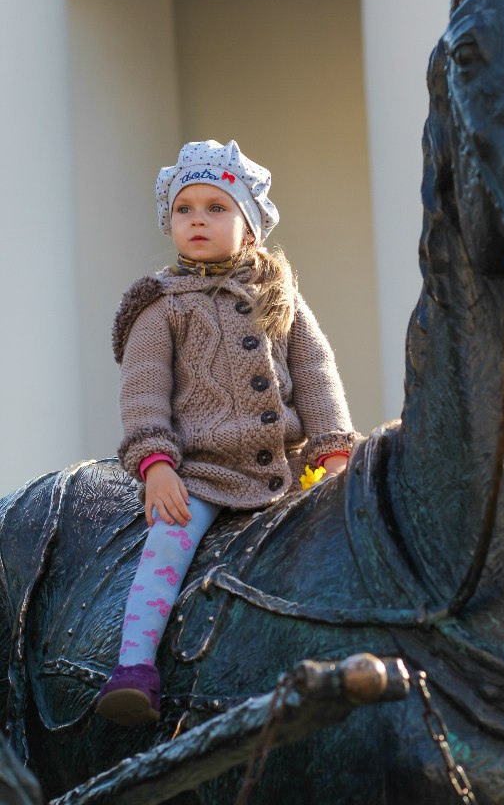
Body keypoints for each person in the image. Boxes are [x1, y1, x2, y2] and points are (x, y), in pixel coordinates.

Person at [96, 139, 357, 725]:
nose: (198, 220)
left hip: (286, 473)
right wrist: (156, 465)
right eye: (185, 209)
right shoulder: (160, 307)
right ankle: (134, 666)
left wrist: (333, 452)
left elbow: (316, 374)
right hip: (202, 475)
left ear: (251, 224)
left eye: (217, 208)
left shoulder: (280, 298)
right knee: (166, 547)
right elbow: (142, 395)